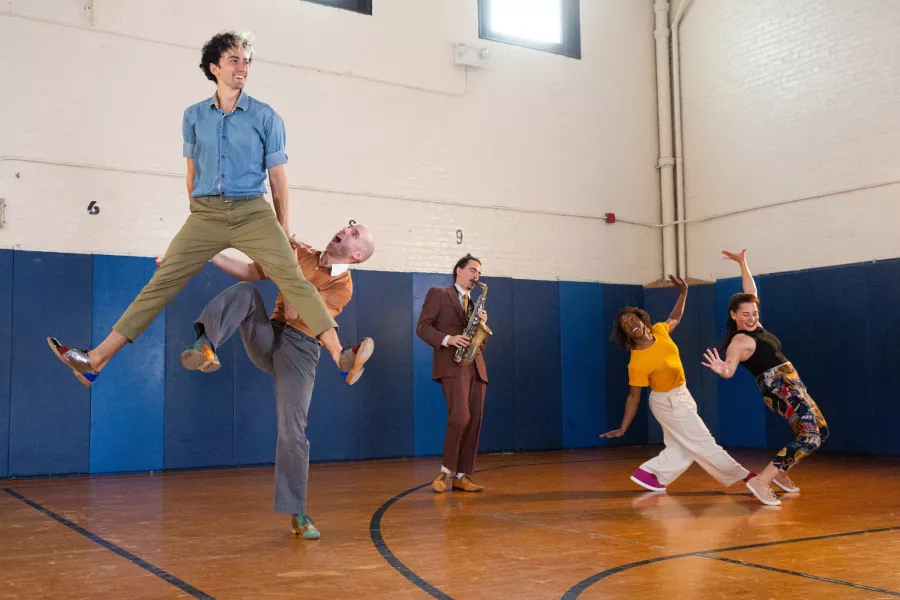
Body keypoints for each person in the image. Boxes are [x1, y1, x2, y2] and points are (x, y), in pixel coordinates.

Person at [48, 31, 350, 386]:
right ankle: (95, 359)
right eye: (234, 60)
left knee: (293, 279)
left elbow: (278, 180)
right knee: (160, 284)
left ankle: (340, 354)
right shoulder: (193, 116)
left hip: (254, 212)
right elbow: (191, 174)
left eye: (246, 61)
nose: (243, 67)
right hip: (205, 214)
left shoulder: (267, 117)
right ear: (214, 67)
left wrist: (282, 230)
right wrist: (197, 220)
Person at [182, 223, 375, 539]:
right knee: (246, 292)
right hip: (269, 335)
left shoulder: (343, 287)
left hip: (300, 350)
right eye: (347, 226)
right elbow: (247, 270)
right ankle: (204, 344)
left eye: (354, 234)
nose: (344, 229)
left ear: (356, 255)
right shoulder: (304, 253)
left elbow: (300, 312)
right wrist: (211, 253)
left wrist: (287, 264)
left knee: (293, 431)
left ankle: (297, 513)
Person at [602, 275, 754, 496]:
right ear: (625, 333)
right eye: (626, 325)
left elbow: (675, 317)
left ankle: (650, 474)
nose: (631, 325)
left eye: (633, 320)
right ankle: (745, 477)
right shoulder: (637, 362)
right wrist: (623, 428)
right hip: (667, 402)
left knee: (682, 447)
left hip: (682, 394)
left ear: (642, 319)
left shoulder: (659, 331)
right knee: (704, 442)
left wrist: (683, 293)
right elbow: (633, 397)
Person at [702, 249, 829, 506]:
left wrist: (743, 263)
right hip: (779, 388)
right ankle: (762, 480)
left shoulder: (757, 327)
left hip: (792, 383)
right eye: (745, 314)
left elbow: (752, 293)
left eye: (754, 314)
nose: (751, 318)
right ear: (733, 315)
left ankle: (780, 474)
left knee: (821, 431)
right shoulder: (739, 341)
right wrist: (722, 369)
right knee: (810, 436)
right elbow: (730, 370)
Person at [416, 254, 489, 494]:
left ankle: (462, 475)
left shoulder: (475, 303)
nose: (476, 276)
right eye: (472, 270)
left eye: (479, 272)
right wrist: (449, 339)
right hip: (452, 363)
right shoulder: (439, 293)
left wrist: (481, 327)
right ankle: (446, 471)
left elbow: (480, 343)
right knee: (460, 416)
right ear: (458, 270)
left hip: (475, 366)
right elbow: (423, 328)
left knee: (474, 420)